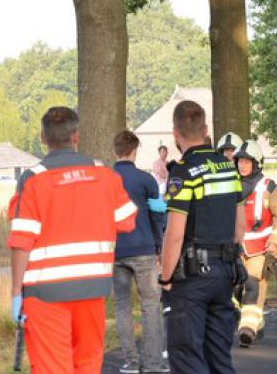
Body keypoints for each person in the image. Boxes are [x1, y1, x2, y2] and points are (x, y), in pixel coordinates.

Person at [6, 107, 137, 374]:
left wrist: (16, 292)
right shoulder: (104, 174)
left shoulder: (33, 180)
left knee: (52, 368)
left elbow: (22, 241)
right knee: (87, 366)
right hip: (92, 289)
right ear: (75, 136)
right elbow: (127, 221)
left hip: (45, 294)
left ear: (43, 137)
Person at [159, 101, 246, 374]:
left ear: (175, 133)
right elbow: (239, 226)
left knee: (187, 357)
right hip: (224, 272)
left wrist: (165, 277)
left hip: (191, 277)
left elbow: (175, 234)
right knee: (219, 358)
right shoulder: (227, 167)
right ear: (206, 129)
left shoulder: (182, 172)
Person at [112, 131, 170, 374]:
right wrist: (159, 246)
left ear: (115, 150)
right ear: (135, 150)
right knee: (150, 305)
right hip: (144, 249)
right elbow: (158, 214)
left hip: (114, 251)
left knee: (122, 305)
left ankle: (130, 362)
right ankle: (154, 363)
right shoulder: (145, 180)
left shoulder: (105, 179)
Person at [233, 140, 277, 347]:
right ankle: (257, 323)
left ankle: (247, 330)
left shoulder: (269, 187)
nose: (242, 165)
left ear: (256, 163)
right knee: (236, 290)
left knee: (253, 285)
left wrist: (275, 242)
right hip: (235, 248)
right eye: (240, 161)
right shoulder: (230, 184)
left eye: (247, 162)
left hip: (260, 249)